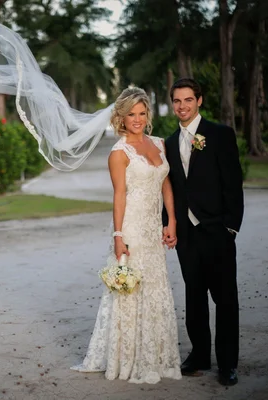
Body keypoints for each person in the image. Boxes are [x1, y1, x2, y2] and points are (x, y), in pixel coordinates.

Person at [71, 87, 181, 384]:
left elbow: (165, 184)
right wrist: (119, 235)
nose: (137, 119)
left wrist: (171, 221)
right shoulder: (119, 153)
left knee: (156, 289)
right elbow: (119, 196)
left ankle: (157, 356)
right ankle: (128, 359)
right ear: (121, 117)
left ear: (148, 115)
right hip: (132, 227)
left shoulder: (159, 143)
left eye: (142, 113)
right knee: (130, 293)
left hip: (153, 229)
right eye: (131, 114)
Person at [162, 78, 244, 386]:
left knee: (225, 300)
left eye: (188, 100)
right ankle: (199, 355)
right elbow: (170, 189)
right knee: (193, 298)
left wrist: (230, 228)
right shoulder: (169, 143)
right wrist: (168, 224)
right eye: (177, 101)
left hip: (217, 231)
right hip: (186, 236)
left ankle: (227, 364)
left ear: (199, 101)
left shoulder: (220, 135)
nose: (182, 106)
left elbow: (233, 186)